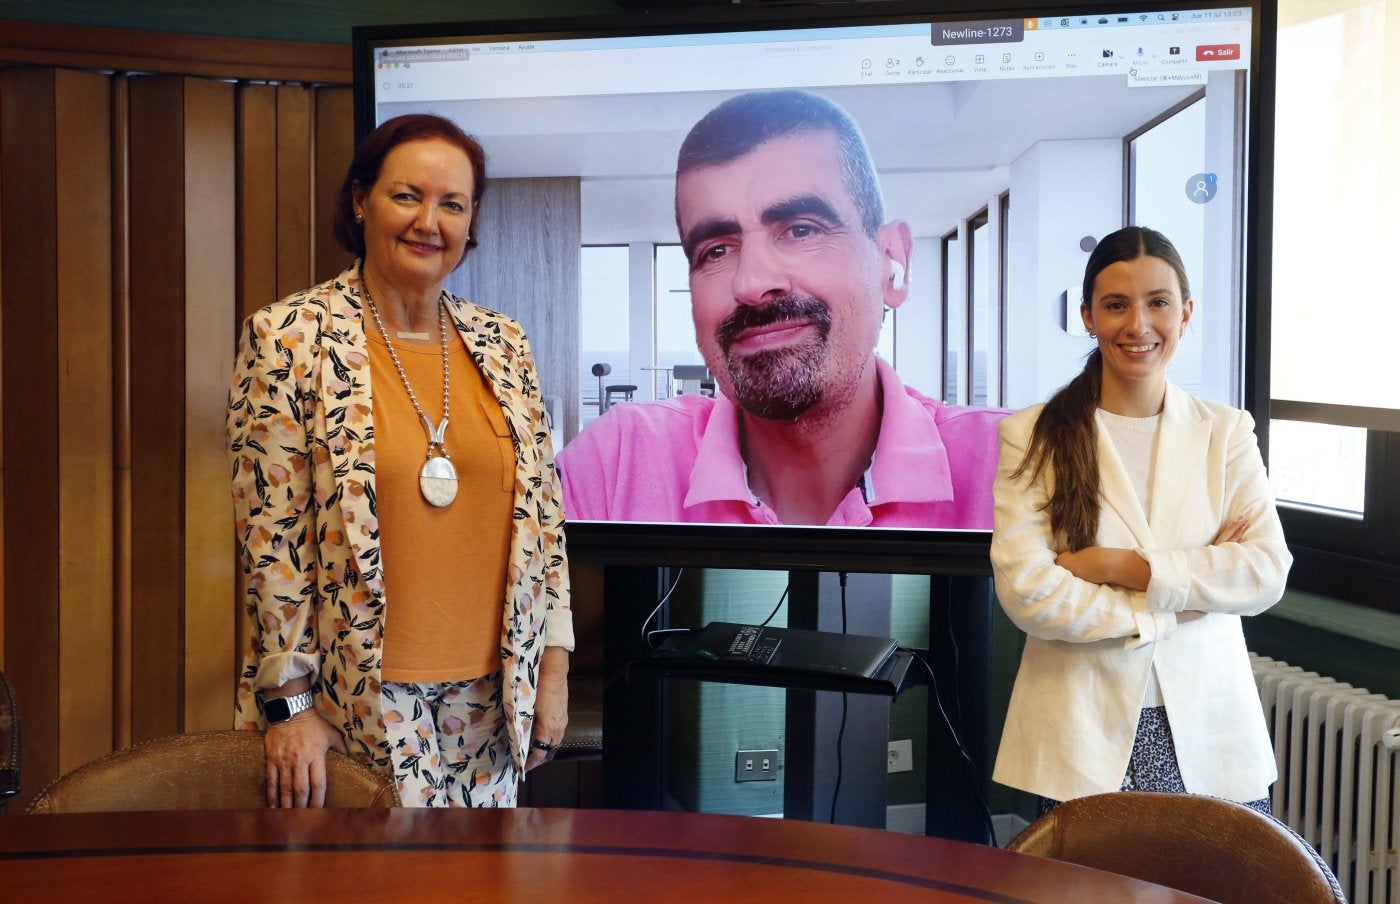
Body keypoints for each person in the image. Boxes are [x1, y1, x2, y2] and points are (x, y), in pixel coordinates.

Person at [228, 113, 572, 808]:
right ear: (361, 201)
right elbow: (272, 543)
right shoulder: (289, 337)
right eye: (407, 196)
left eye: (452, 204)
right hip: (351, 704)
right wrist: (289, 707)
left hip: (494, 703)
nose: (429, 222)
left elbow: (545, 521)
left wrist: (553, 671)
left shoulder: (503, 343)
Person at [558, 89, 1004, 527]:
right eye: (716, 250)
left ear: (893, 265)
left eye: (801, 230)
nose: (751, 283)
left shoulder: (1019, 468)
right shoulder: (616, 466)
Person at [991, 226, 1291, 814]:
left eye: (1158, 302)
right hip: (1082, 728)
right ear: (1087, 315)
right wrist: (1180, 603)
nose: (1138, 325)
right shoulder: (1032, 434)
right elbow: (1028, 593)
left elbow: (1263, 570)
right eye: (1115, 304)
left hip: (1209, 726)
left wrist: (1113, 566)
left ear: (1186, 313)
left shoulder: (1226, 432)